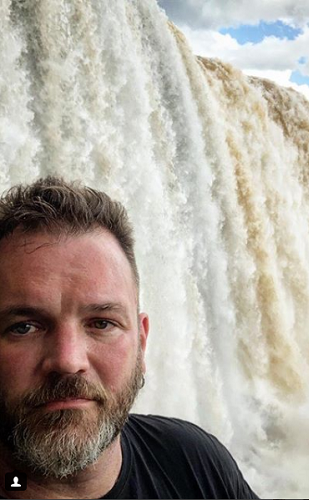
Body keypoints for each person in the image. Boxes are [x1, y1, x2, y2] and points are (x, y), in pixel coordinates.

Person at [0, 177, 259, 499]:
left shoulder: (192, 461)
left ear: (142, 341)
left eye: (102, 323)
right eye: (24, 326)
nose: (68, 360)